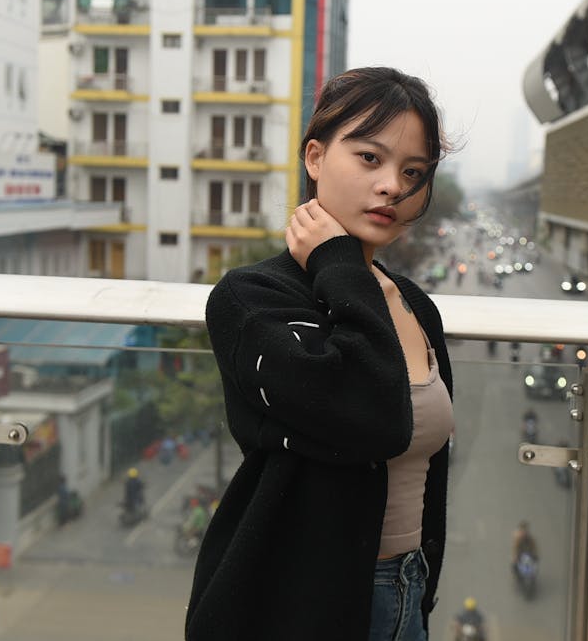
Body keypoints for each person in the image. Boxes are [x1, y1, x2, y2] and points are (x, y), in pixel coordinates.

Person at [185, 67, 456, 641]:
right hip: (300, 604)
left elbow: (431, 474)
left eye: (414, 172)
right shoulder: (250, 297)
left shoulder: (414, 306)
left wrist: (422, 590)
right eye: (369, 158)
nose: (392, 187)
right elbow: (370, 417)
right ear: (315, 156)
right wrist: (337, 262)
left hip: (406, 592)